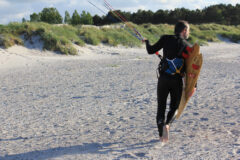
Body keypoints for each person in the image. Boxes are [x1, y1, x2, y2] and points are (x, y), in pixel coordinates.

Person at [143, 20, 196, 142]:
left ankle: (161, 135)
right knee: (175, 106)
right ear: (184, 31)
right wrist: (193, 86)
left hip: (163, 79)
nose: (188, 32)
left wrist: (147, 42)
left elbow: (150, 50)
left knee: (160, 107)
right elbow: (190, 69)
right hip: (176, 80)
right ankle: (167, 125)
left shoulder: (165, 38)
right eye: (188, 30)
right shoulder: (187, 46)